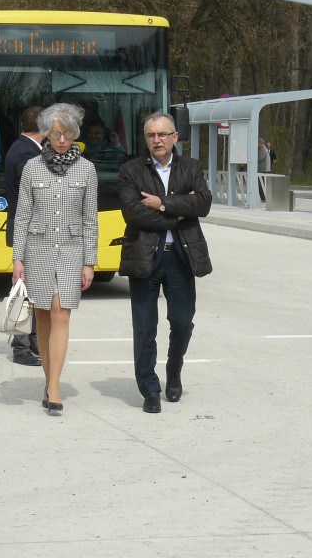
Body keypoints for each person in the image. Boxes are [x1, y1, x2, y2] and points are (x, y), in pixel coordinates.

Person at [118, 111, 212, 413]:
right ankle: (149, 388)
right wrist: (181, 212)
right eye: (151, 135)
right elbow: (133, 214)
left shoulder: (192, 167)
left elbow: (204, 203)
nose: (156, 140)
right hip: (144, 257)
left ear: (175, 137)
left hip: (182, 258)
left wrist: (162, 204)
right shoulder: (130, 170)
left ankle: (173, 371)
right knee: (145, 327)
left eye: (162, 134)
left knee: (182, 323)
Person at [12, 103, 98, 414]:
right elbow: (21, 217)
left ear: (75, 135)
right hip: (38, 251)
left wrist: (90, 261)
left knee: (62, 312)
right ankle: (49, 381)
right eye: (55, 134)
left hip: (73, 252)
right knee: (44, 316)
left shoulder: (87, 169)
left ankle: (55, 386)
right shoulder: (32, 167)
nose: (61, 140)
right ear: (47, 134)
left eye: (67, 134)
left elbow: (90, 219)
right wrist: (17, 259)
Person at [2, 105, 44, 368]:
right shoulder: (27, 155)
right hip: (28, 230)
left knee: (34, 288)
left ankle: (34, 339)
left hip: (29, 228)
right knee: (24, 290)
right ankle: (21, 346)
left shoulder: (23, 148)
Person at [257, 136, 271, 202]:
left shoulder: (263, 149)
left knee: (262, 184)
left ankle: (263, 198)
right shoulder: (261, 149)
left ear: (261, 143)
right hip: (263, 169)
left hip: (264, 170)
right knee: (261, 184)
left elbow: (260, 158)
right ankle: (262, 197)